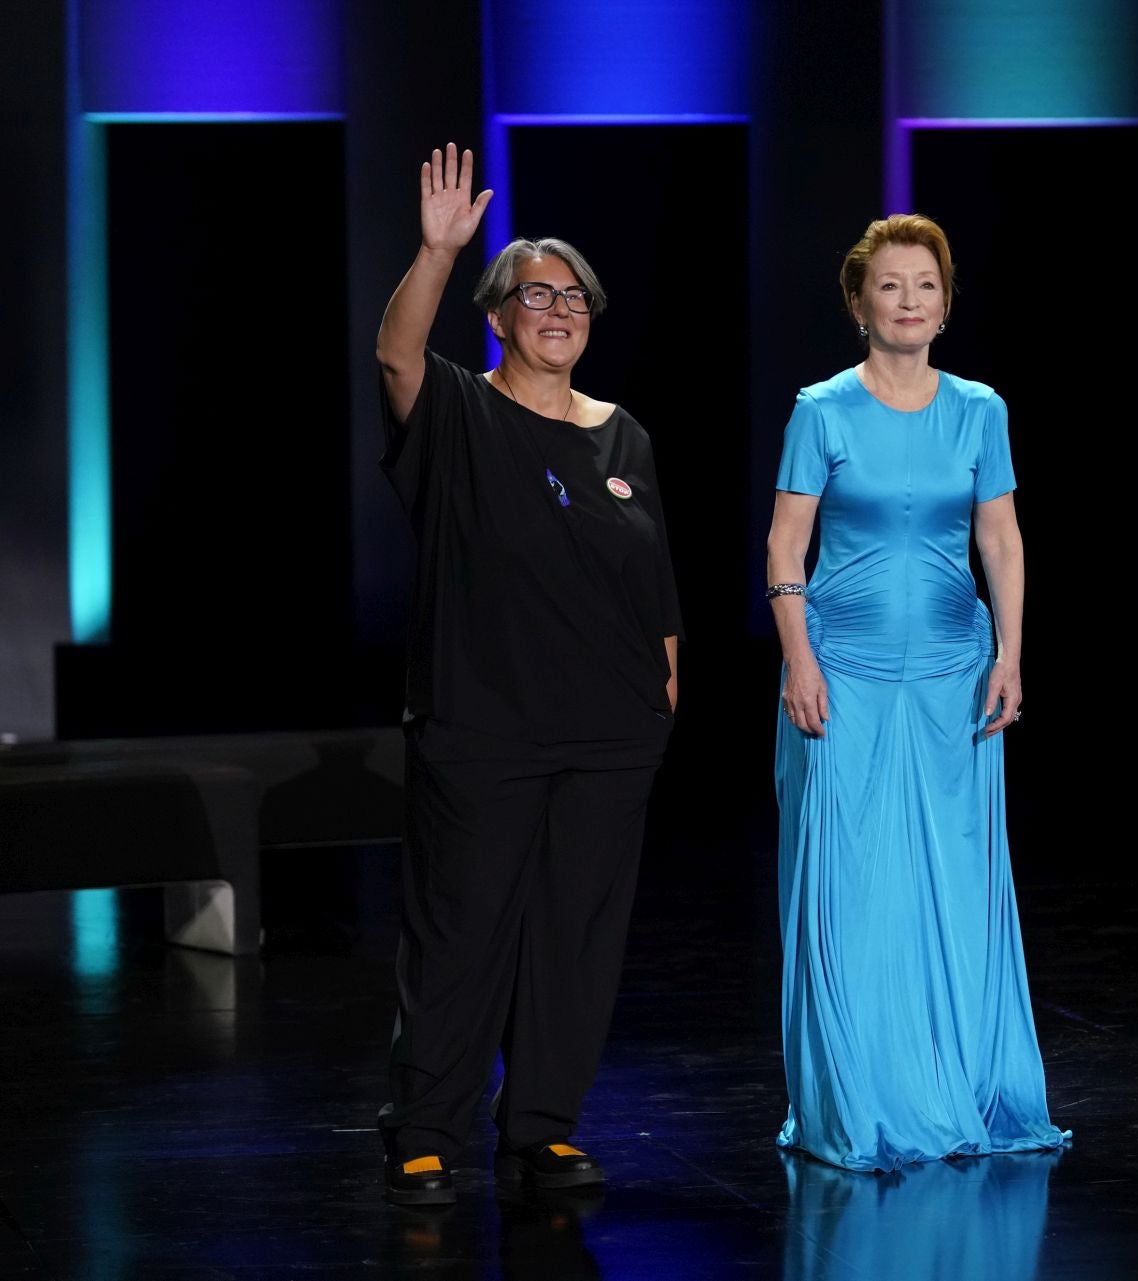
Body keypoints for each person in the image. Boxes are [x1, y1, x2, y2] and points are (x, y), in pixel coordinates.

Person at [373, 143, 680, 1203]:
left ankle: (542, 1124)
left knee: (576, 939)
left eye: (574, 296)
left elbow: (655, 587)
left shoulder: (624, 436)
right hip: (482, 725)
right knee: (461, 932)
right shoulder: (459, 412)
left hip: (611, 734)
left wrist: (663, 696)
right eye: (536, 294)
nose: (559, 309)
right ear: (498, 317)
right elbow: (396, 358)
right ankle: (426, 1128)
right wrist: (437, 252)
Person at [765, 214, 1070, 1172]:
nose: (909, 301)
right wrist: (798, 657)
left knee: (955, 889)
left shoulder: (980, 409)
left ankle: (960, 1083)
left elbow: (1001, 538)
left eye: (925, 285)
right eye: (890, 285)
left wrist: (1010, 654)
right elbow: (784, 545)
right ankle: (856, 1099)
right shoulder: (821, 410)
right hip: (842, 674)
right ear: (859, 303)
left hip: (952, 676)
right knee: (850, 890)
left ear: (945, 304)